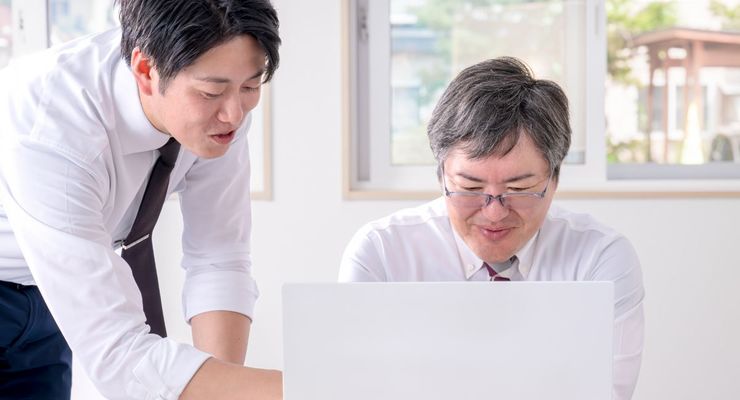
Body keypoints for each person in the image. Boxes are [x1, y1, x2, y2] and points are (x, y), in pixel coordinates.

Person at [0, 1, 282, 399]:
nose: (235, 114)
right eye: (212, 92)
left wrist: (225, 389)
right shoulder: (53, 127)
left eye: (251, 86)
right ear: (146, 70)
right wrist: (315, 389)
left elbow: (219, 259)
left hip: (43, 294)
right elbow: (121, 358)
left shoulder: (220, 113)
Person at [338, 57, 644, 400]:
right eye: (470, 188)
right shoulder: (381, 254)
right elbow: (356, 387)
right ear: (441, 176)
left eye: (519, 188)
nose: (495, 212)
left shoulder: (600, 259)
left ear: (554, 179)